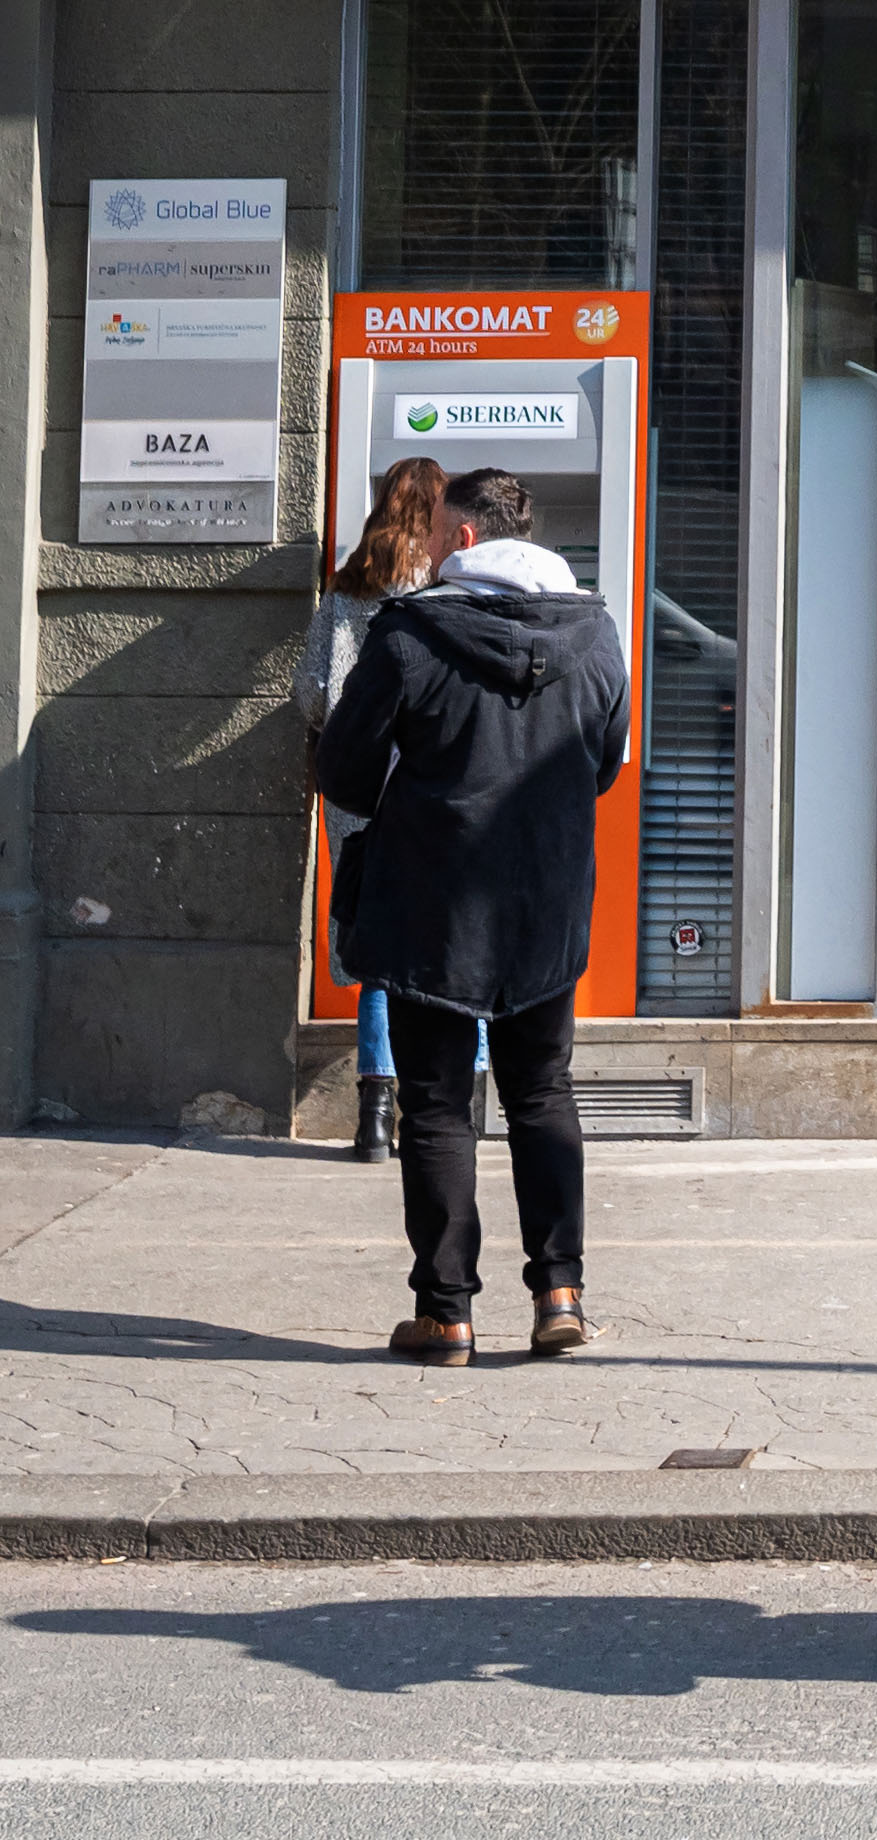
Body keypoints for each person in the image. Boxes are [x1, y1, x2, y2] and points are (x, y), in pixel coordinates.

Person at [316, 466, 635, 1366]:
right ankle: (560, 1293)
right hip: (544, 898)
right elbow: (604, 760)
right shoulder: (595, 633)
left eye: (433, 535)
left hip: (430, 900)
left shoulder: (410, 634)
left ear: (464, 539)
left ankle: (447, 1313)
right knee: (541, 1091)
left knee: (435, 1104)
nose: (421, 550)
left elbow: (342, 771)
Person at [298, 457, 451, 1163]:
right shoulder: (448, 587)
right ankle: (456, 1105)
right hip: (430, 787)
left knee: (377, 952)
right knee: (451, 940)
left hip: (358, 791)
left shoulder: (349, 584)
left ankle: (375, 1121)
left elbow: (312, 693)